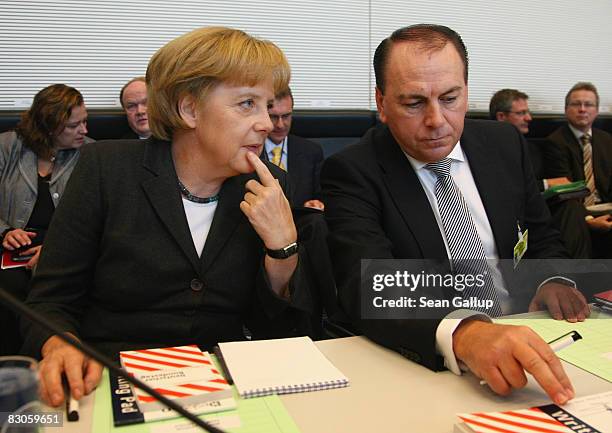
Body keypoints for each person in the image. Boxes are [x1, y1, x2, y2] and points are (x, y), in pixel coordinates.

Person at [21, 27, 314, 408]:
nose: (267, 123)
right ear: (189, 109)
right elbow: (49, 302)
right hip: (109, 376)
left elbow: (275, 331)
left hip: (225, 385)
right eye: (247, 104)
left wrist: (282, 249)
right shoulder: (106, 169)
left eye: (268, 105)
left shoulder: (271, 185)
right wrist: (60, 343)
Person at [321, 24, 589, 404]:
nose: (436, 120)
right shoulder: (352, 170)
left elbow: (540, 234)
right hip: (429, 363)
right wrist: (465, 332)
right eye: (414, 103)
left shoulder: (505, 144)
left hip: (534, 337)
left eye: (450, 98)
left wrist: (553, 280)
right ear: (381, 104)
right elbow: (371, 283)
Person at [0, 84, 91, 355]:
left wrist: (55, 248)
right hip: (9, 244)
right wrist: (5, 231)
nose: (84, 131)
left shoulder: (91, 154)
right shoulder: (7, 146)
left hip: (63, 246)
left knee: (49, 287)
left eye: (85, 122)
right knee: (9, 291)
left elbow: (92, 218)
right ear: (49, 127)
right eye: (73, 126)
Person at [490, 88, 591, 258]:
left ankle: (577, 276)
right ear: (501, 117)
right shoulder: (485, 151)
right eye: (521, 113)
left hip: (540, 212)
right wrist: (546, 184)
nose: (529, 118)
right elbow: (500, 187)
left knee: (571, 207)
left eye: (528, 112)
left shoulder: (534, 150)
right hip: (508, 216)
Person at [544, 82, 612, 257]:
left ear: (596, 111)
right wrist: (589, 219)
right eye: (576, 104)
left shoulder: (607, 140)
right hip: (578, 213)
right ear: (566, 109)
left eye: (588, 104)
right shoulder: (555, 142)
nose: (582, 109)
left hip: (606, 208)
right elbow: (565, 191)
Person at [263, 87, 325, 209]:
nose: (280, 125)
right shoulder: (249, 152)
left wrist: (315, 204)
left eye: (286, 116)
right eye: (273, 117)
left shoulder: (312, 152)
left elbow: (321, 195)